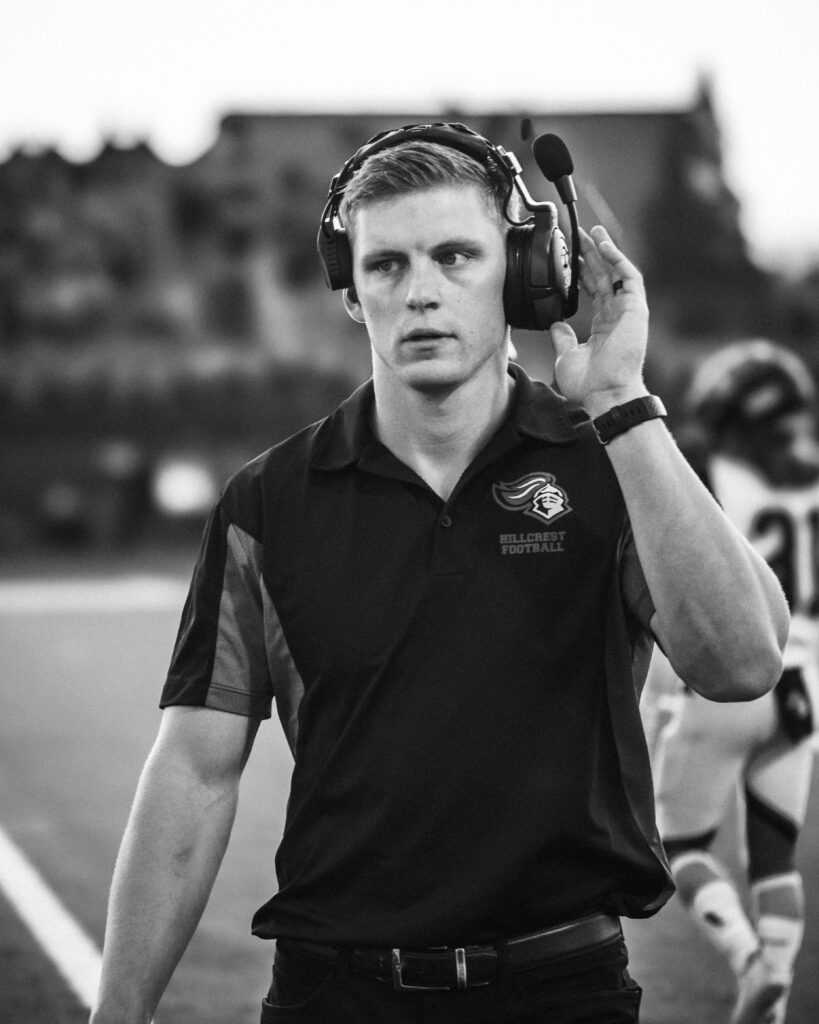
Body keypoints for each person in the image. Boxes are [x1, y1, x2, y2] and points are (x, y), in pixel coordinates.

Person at [90, 124, 789, 1024]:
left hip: (562, 991)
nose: (419, 291)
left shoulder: (615, 465)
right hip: (332, 995)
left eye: (455, 256)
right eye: (385, 266)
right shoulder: (268, 503)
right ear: (351, 291)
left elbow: (742, 664)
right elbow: (194, 771)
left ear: (529, 271)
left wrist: (620, 401)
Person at [648, 339, 819, 1024]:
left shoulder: (709, 475)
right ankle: (773, 991)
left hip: (736, 682)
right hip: (804, 692)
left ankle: (748, 961)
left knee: (680, 848)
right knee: (774, 858)